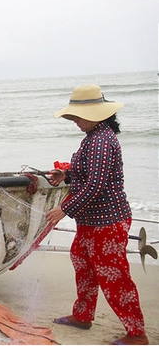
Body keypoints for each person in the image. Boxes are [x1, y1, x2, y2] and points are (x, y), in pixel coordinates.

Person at [46, 85, 148, 346]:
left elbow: (96, 184)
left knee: (114, 276)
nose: (76, 121)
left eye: (79, 116)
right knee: (83, 263)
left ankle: (137, 334)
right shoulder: (93, 136)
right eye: (74, 117)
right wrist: (66, 174)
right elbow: (87, 173)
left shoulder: (102, 140)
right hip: (90, 220)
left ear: (97, 113)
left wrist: (63, 210)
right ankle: (83, 315)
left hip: (108, 222)